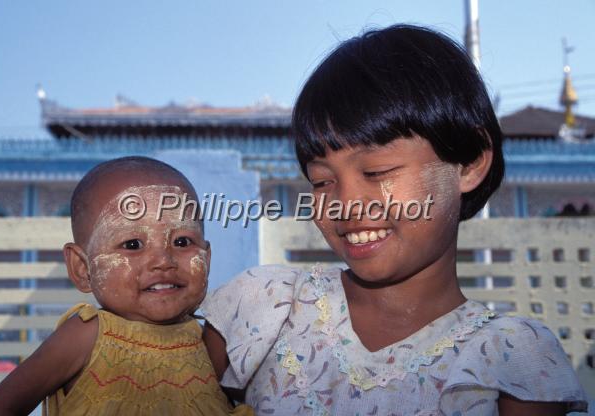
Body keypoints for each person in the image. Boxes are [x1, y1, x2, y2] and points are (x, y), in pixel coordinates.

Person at [201, 25, 588, 415]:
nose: (347, 204)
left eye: (376, 171)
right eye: (321, 180)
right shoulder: (264, 306)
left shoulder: (512, 356)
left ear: (468, 163)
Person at [0, 156, 253, 416]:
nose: (163, 261)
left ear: (206, 256)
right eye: (132, 244)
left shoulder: (208, 342)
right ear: (83, 268)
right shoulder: (86, 336)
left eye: (182, 242)